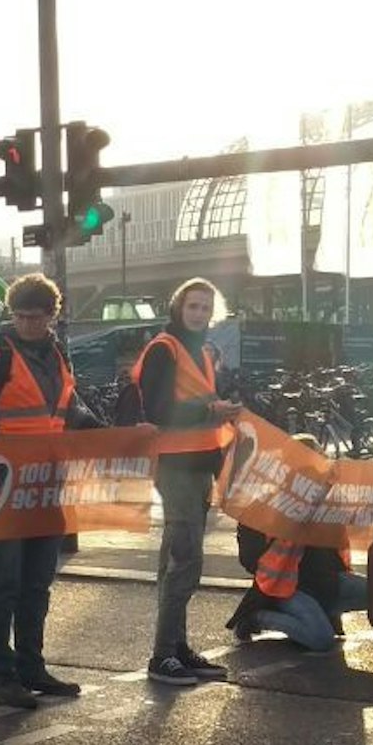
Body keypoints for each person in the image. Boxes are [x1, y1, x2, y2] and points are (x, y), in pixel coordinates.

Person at [0, 274, 102, 709]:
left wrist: (110, 433)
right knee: (5, 582)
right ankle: (2, 677)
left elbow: (70, 408)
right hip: (2, 485)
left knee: (37, 583)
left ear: (53, 315)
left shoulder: (57, 354)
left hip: (46, 484)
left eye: (36, 316)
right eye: (20, 316)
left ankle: (32, 667)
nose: (28, 323)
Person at [139, 277, 241, 686]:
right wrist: (211, 411)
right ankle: (163, 654)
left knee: (176, 560)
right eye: (193, 306)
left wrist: (217, 413)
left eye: (205, 308)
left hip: (198, 465)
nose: (199, 313)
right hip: (176, 466)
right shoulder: (164, 348)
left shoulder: (200, 351)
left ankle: (176, 648)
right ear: (178, 308)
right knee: (186, 561)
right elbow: (157, 409)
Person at [227, 437, 366, 651]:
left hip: (325, 583)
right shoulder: (264, 506)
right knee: (321, 639)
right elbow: (248, 557)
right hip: (284, 589)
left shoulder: (327, 501)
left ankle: (321, 613)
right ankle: (256, 618)